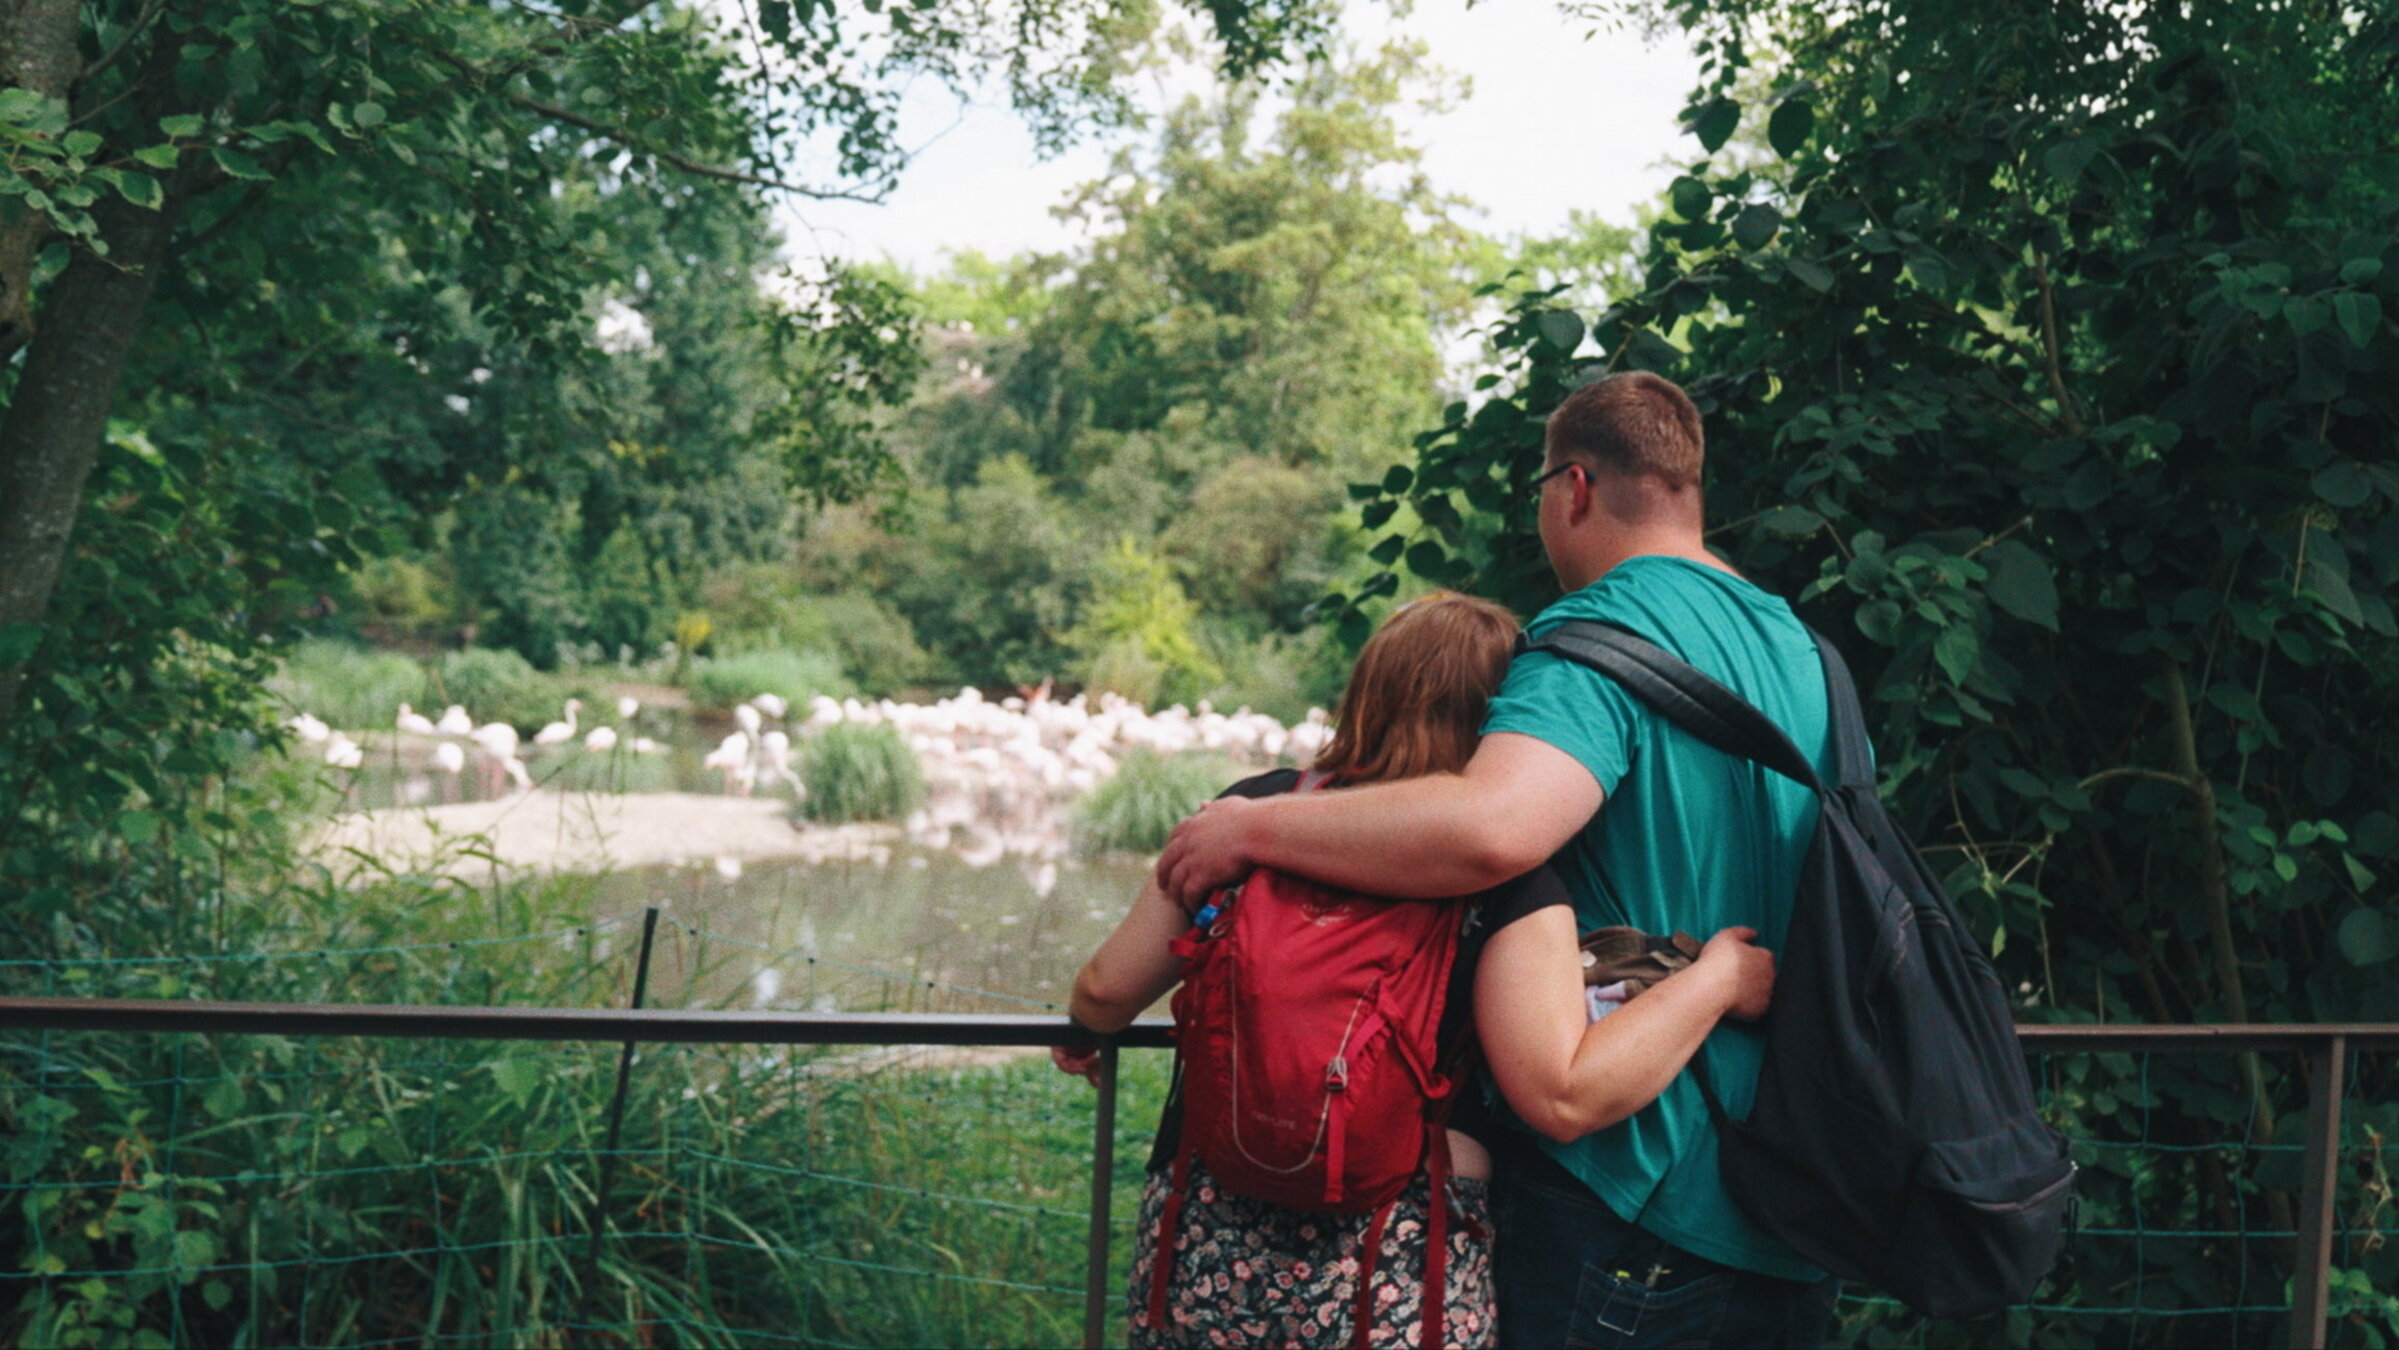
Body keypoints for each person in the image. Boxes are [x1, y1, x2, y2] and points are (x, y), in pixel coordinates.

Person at [1154, 371, 1845, 1349]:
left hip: (1628, 1191)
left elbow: (1489, 830)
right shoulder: (1806, 654)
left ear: (1571, 488)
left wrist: (1250, 827)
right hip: (1785, 1191)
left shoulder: (1593, 644)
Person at [1057, 591, 1776, 1349]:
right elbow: (1564, 1094)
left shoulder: (1248, 817)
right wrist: (1716, 977)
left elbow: (1107, 989)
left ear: (1367, 689)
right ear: (1504, 720)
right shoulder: (1507, 877)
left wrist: (1083, 1028)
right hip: (1397, 1256)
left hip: (1210, 1227)